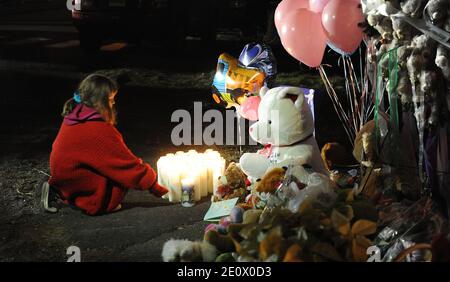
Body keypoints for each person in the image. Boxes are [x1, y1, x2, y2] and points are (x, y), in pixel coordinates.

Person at [45, 74, 168, 215]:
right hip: (82, 187)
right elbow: (126, 164)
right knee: (118, 178)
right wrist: (155, 186)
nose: (113, 104)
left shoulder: (74, 115)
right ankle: (92, 203)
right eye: (110, 100)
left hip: (65, 181)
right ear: (99, 102)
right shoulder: (98, 129)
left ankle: (57, 189)